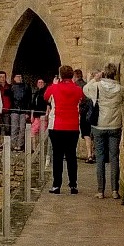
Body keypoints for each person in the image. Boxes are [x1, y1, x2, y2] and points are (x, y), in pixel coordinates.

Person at [84, 62, 124, 199]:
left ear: (104, 73)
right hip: (115, 125)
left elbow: (85, 90)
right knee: (114, 157)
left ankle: (101, 191)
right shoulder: (120, 89)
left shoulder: (97, 86)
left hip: (99, 125)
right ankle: (115, 190)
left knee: (100, 157)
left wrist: (95, 79)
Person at [44, 65, 84, 194]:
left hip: (57, 125)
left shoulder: (54, 88)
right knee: (71, 156)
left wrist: (54, 84)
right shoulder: (78, 89)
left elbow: (46, 97)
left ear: (60, 75)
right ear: (72, 75)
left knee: (57, 156)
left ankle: (56, 185)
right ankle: (73, 185)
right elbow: (81, 99)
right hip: (73, 126)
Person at [74, 68, 95, 163]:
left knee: (86, 134)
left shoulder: (76, 86)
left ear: (75, 76)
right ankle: (92, 154)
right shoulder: (86, 85)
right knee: (90, 133)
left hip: (83, 112)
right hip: (91, 112)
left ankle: (89, 155)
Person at [7, 73, 30, 151]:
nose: (19, 78)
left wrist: (27, 111)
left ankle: (20, 145)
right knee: (14, 128)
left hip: (23, 110)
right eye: (17, 76)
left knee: (22, 129)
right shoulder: (11, 87)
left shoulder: (26, 87)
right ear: (14, 78)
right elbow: (10, 99)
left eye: (20, 76)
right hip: (14, 110)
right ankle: (13, 145)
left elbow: (28, 100)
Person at [29, 77, 48, 150]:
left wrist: (46, 114)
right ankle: (35, 149)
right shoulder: (36, 93)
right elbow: (33, 105)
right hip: (36, 115)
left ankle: (42, 149)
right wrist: (32, 115)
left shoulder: (46, 92)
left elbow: (48, 104)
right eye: (39, 82)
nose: (40, 84)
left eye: (42, 82)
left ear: (44, 84)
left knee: (42, 133)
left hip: (43, 115)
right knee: (33, 131)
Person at [0, 70, 11, 147]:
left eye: (4, 77)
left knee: (7, 127)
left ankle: (6, 144)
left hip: (7, 109)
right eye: (1, 77)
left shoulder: (9, 87)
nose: (2, 78)